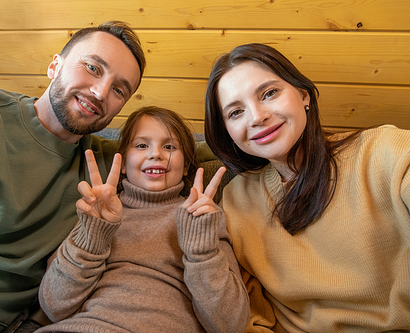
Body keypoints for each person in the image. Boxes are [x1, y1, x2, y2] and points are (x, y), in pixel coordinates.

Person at [0, 21, 146, 333]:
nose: (101, 92)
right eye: (92, 67)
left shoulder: (106, 167)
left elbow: (199, 152)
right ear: (54, 65)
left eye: (119, 90)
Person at [204, 42, 410, 332]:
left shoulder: (385, 152)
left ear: (303, 95)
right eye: (236, 112)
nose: (257, 117)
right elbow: (249, 317)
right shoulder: (236, 201)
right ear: (228, 132)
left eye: (269, 93)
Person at [36, 106, 250, 332]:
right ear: (124, 164)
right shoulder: (99, 210)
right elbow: (54, 306)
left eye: (169, 146)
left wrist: (202, 252)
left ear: (186, 165)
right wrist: (93, 234)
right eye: (141, 145)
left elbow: (231, 325)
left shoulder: (204, 216)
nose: (155, 154)